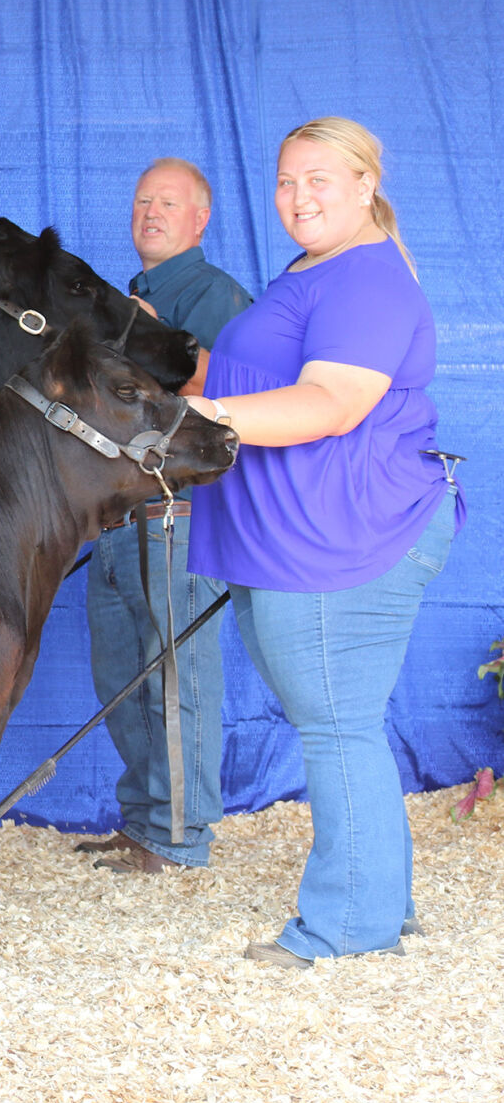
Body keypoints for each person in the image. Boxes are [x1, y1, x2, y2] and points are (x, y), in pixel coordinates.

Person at [184, 117, 462, 965]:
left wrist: (192, 420)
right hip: (293, 536)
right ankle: (381, 899)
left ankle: (348, 926)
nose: (297, 198)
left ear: (365, 184)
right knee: (336, 722)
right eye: (283, 182)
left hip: (343, 537)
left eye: (318, 180)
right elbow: (250, 373)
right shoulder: (313, 270)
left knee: (337, 727)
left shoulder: (367, 282)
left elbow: (330, 404)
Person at [82, 159, 253, 875]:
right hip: (116, 513)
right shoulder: (131, 295)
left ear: (199, 219)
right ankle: (146, 822)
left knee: (174, 676)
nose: (149, 211)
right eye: (141, 198)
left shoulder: (212, 295)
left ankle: (180, 837)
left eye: (168, 201)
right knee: (121, 675)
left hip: (176, 514)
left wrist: (158, 341)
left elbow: (245, 390)